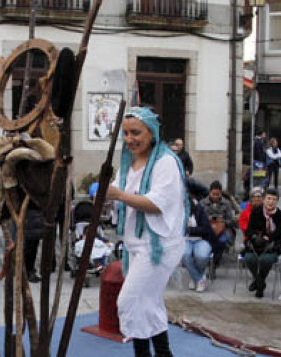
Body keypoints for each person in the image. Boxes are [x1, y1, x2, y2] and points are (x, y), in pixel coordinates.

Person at [105, 107, 187, 357]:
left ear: (152, 132)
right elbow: (118, 192)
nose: (130, 139)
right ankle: (163, 354)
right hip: (135, 243)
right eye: (126, 133)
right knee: (147, 303)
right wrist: (106, 195)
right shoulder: (128, 162)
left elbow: (156, 204)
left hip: (158, 246)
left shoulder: (166, 162)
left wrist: (119, 195)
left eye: (136, 133)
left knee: (129, 302)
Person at [243, 188, 281, 298]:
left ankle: (258, 283)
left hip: (272, 245)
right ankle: (260, 282)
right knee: (249, 258)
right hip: (255, 244)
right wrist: (255, 237)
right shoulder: (256, 211)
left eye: (274, 199)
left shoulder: (280, 215)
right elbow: (249, 230)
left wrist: (267, 238)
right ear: (264, 199)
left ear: (277, 201)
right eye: (269, 198)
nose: (271, 202)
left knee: (266, 260)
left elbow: (279, 233)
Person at [183, 197, 216, 292]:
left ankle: (194, 276)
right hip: (184, 240)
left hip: (201, 239)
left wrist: (190, 230)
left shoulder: (199, 210)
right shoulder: (177, 212)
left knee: (201, 256)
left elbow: (205, 229)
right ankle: (199, 278)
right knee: (184, 255)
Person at [201, 181, 236, 267]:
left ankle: (214, 263)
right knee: (206, 240)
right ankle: (209, 262)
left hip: (223, 229)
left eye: (218, 194)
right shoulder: (202, 203)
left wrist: (222, 221)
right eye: (213, 194)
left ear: (221, 193)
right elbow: (199, 219)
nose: (215, 196)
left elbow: (230, 220)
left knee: (223, 241)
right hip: (208, 228)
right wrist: (208, 220)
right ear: (210, 192)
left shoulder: (227, 203)